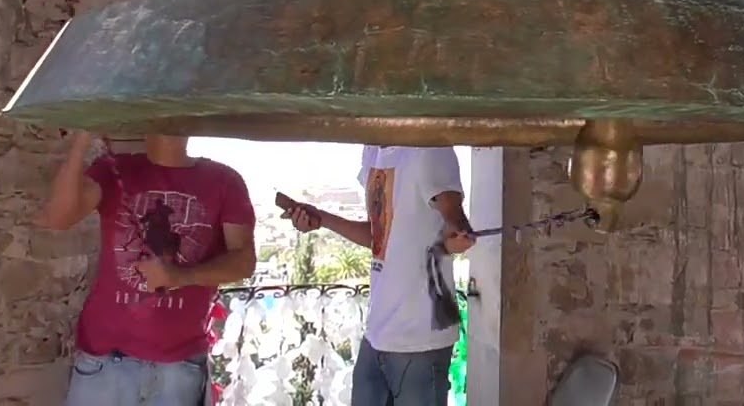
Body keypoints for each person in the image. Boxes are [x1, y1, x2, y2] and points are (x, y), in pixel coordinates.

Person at [35, 131, 257, 406]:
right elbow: (59, 217)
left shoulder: (224, 181)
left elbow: (244, 261)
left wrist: (181, 276)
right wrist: (81, 141)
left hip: (178, 367)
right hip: (105, 362)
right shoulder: (114, 169)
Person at [281, 146, 476, 406]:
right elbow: (380, 235)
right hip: (378, 332)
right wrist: (322, 218)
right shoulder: (373, 151)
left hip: (420, 337)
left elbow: (453, 215)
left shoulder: (428, 147)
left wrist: (457, 230)